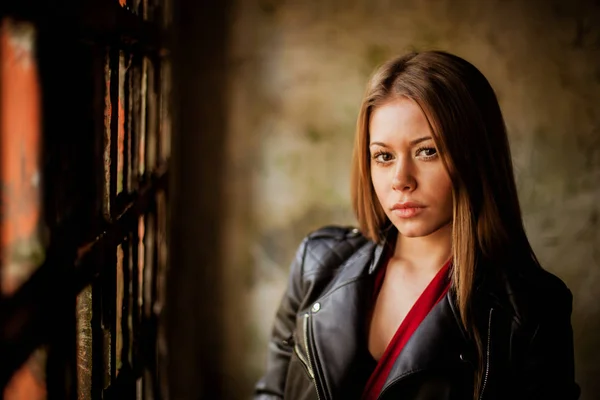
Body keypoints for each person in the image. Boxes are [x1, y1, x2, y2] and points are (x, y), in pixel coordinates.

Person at [254, 51, 580, 400]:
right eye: (384, 156)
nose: (401, 180)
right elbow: (272, 393)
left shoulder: (530, 308)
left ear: (475, 155)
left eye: (427, 151)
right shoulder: (317, 263)